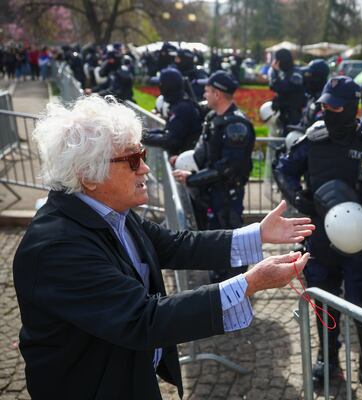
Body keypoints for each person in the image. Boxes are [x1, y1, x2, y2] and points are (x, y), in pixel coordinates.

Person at [13, 95, 315, 400]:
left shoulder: (107, 212)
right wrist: (249, 284)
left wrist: (259, 234)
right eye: (132, 160)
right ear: (89, 176)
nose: (144, 168)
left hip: (124, 374)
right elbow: (142, 319)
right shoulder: (58, 247)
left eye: (142, 155)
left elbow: (174, 245)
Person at [273, 76, 362, 400]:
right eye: (324, 104)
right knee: (324, 305)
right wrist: (300, 198)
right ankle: (328, 360)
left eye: (335, 106)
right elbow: (282, 168)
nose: (327, 110)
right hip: (321, 241)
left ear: (353, 107)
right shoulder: (313, 140)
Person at [172, 71, 255, 283]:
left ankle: (236, 287)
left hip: (227, 194)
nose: (204, 94)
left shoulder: (237, 125)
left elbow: (226, 169)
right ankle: (218, 283)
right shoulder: (212, 118)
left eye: (207, 91)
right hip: (209, 192)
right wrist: (181, 160)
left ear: (217, 94)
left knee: (231, 241)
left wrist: (192, 179)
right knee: (214, 239)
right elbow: (202, 153)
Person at [142, 68, 205, 156]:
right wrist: (142, 133)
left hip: (185, 161)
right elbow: (168, 131)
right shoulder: (180, 104)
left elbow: (171, 140)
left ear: (167, 87)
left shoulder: (182, 108)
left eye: (161, 84)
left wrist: (141, 137)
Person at [268, 48, 306, 135]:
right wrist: (274, 72)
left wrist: (276, 73)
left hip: (293, 114)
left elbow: (284, 88)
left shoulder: (296, 73)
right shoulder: (283, 72)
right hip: (283, 113)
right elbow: (273, 87)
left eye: (277, 60)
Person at [299, 58, 330, 129]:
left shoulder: (324, 101)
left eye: (309, 75)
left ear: (318, 77)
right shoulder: (312, 96)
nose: (306, 78)